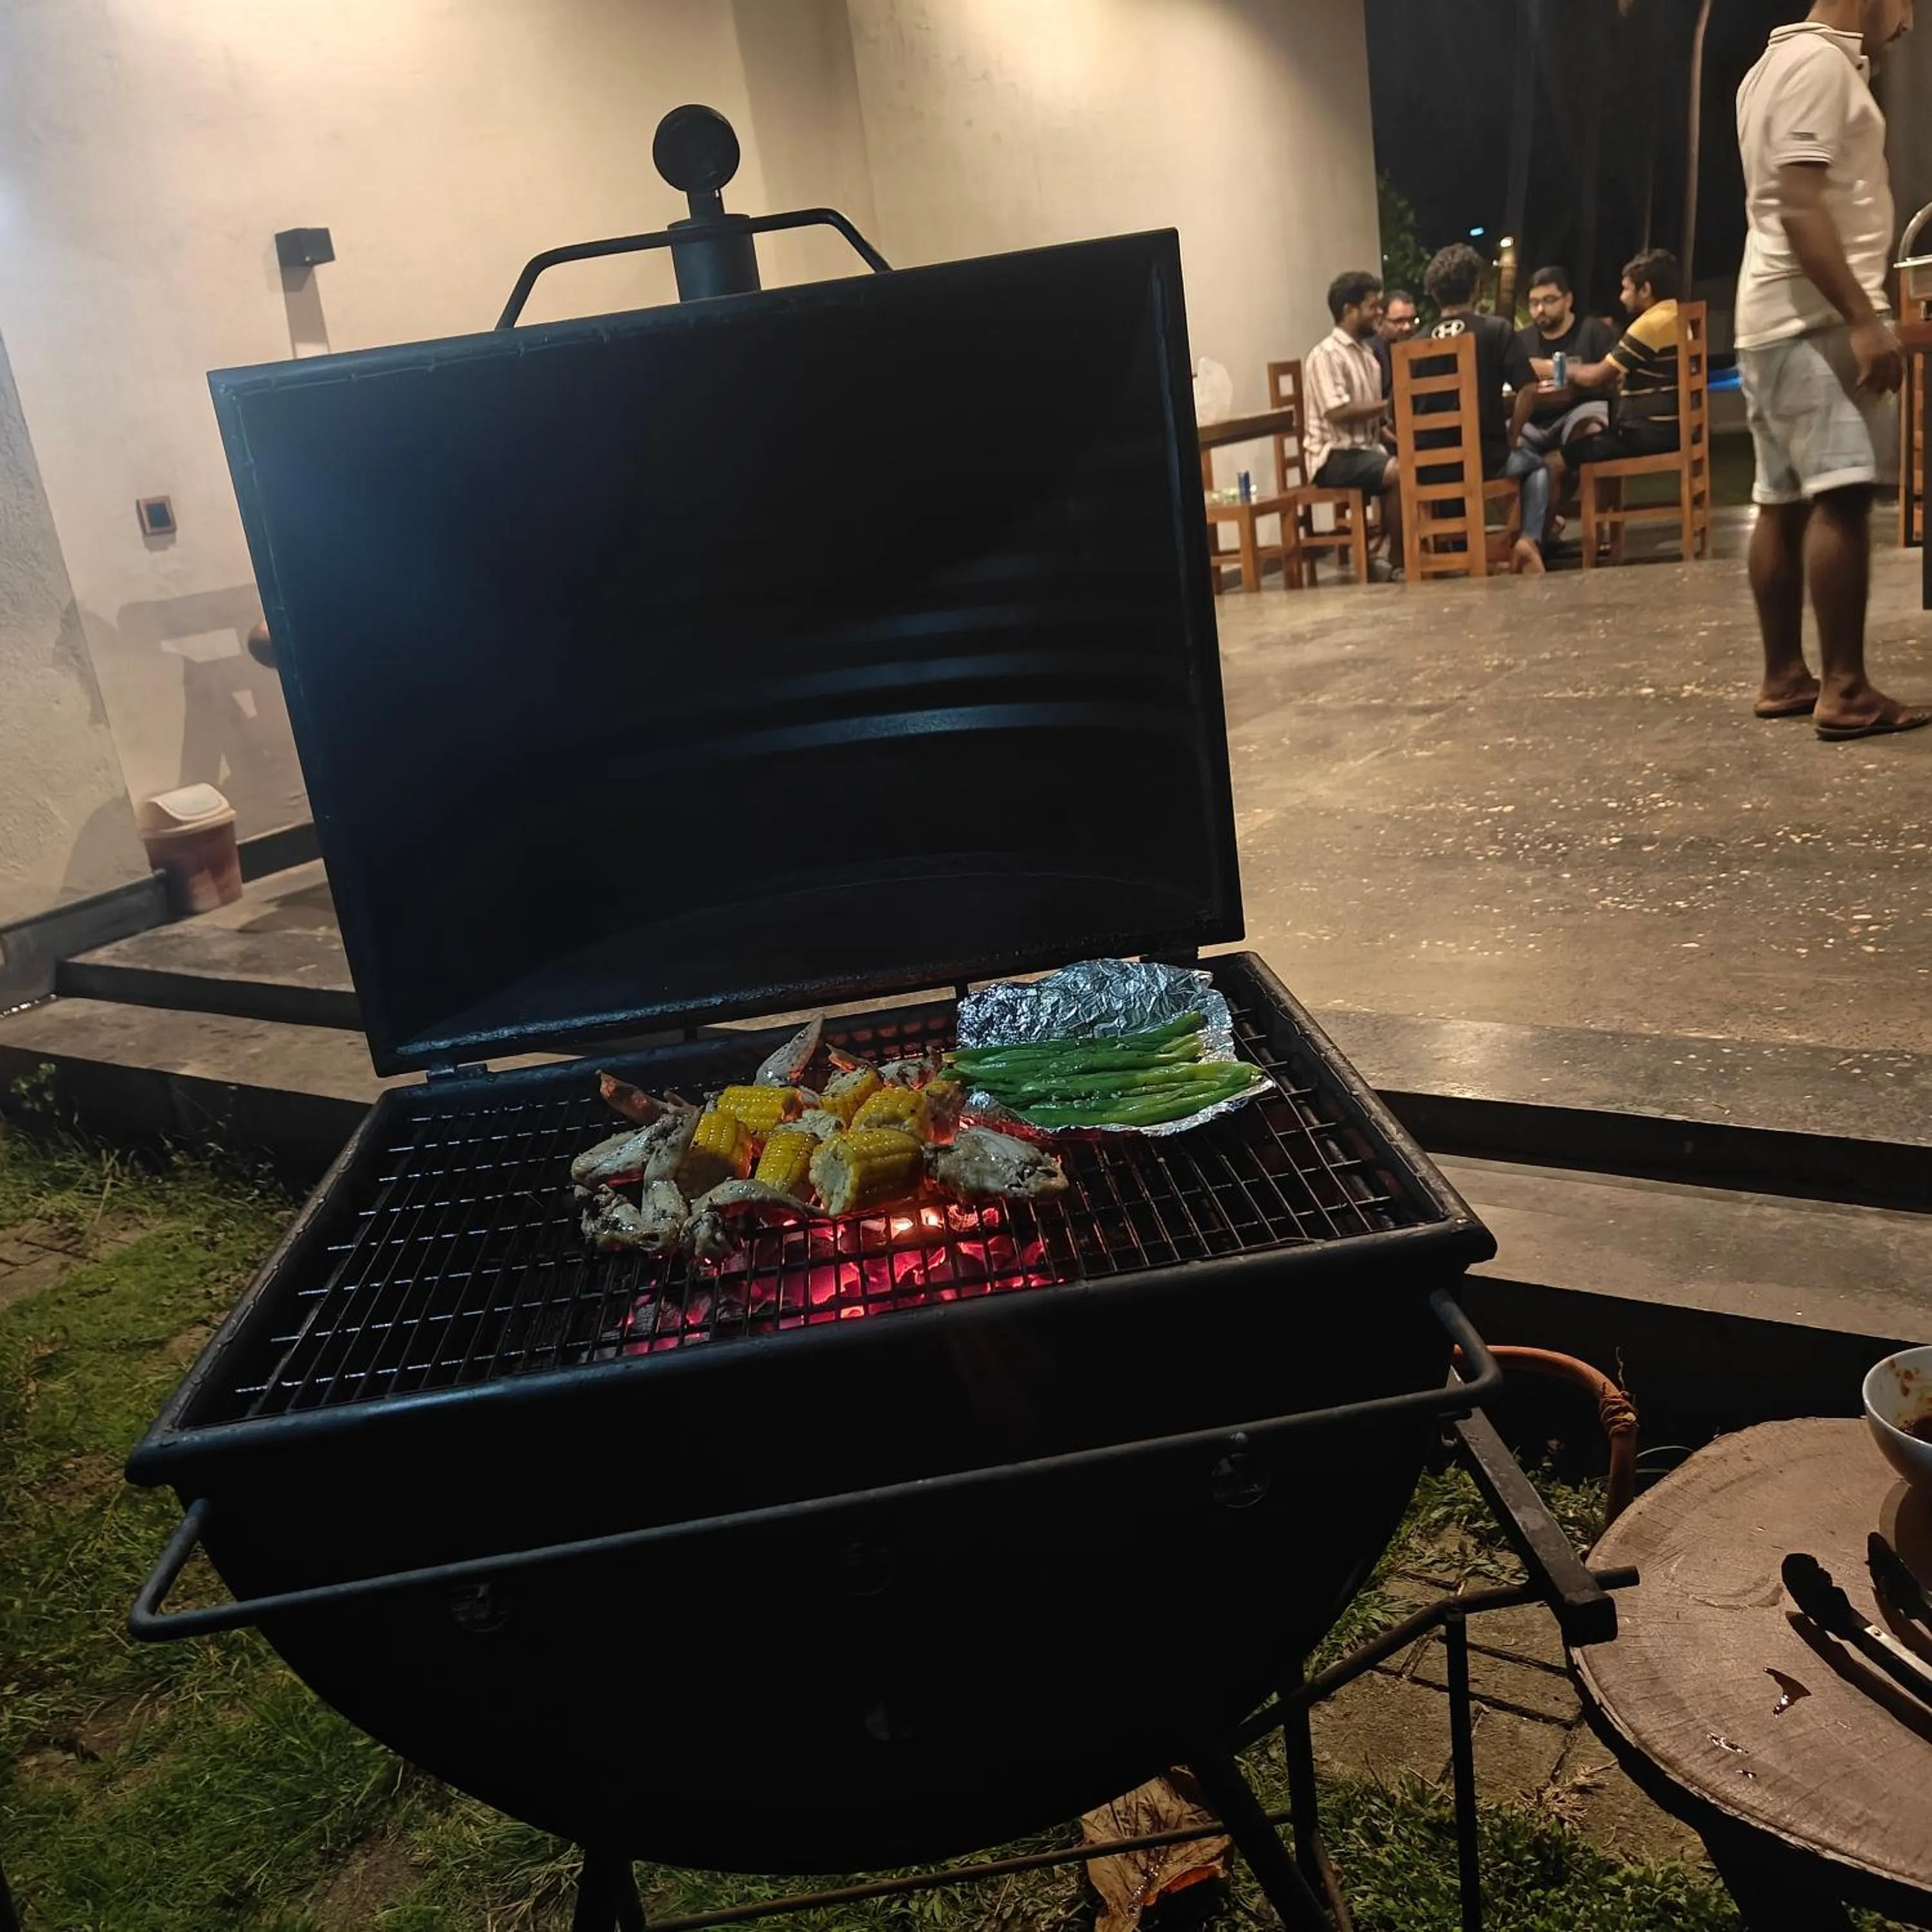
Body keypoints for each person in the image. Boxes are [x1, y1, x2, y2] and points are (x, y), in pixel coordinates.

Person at [1735, 0, 1927, 739]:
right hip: (1812, 318)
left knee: (1779, 500)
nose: (1909, 24)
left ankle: (1786, 674)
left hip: (1768, 318)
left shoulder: (1768, 66)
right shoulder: (1817, 65)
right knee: (1842, 495)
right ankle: (1845, 688)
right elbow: (1799, 205)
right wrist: (1862, 319)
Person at [1410, 243, 1539, 566]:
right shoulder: (1496, 330)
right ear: (1476, 286)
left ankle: (1444, 554)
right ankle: (1528, 539)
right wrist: (1512, 436)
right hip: (1485, 460)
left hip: (1427, 468)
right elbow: (1529, 387)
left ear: (1434, 294)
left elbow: (1393, 417)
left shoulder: (1412, 345)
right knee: (1537, 465)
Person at [1502, 267, 1617, 565]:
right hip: (1534, 417)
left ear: (1568, 300)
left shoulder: (1593, 332)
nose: (1540, 309)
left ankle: (1532, 535)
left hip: (1579, 410)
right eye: (1534, 303)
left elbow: (1610, 378)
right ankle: (1536, 532)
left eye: (1549, 300)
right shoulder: (1520, 340)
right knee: (1501, 451)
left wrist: (1546, 368)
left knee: (1588, 437)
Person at [1303, 269, 1404, 576]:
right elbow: (1336, 412)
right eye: (1372, 307)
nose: (1378, 314)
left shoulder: (1368, 355)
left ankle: (1401, 550)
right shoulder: (1326, 355)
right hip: (1334, 456)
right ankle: (1402, 560)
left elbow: (1377, 416)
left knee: (1420, 460)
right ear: (1349, 310)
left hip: (1366, 449)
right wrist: (1388, 404)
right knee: (1402, 472)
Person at [1555, 250, 1685, 475]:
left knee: (1554, 461)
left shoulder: (1650, 325)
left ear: (1645, 290)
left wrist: (1557, 368)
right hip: (1674, 430)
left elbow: (1596, 376)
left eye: (1626, 289)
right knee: (1586, 443)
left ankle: (1549, 512)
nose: (1621, 297)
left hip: (1648, 435)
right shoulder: (1677, 316)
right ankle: (1592, 510)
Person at [1371, 287, 1419, 398]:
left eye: (1412, 320)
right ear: (1380, 322)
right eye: (1399, 321)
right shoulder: (1371, 354)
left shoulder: (1421, 347)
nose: (1407, 327)